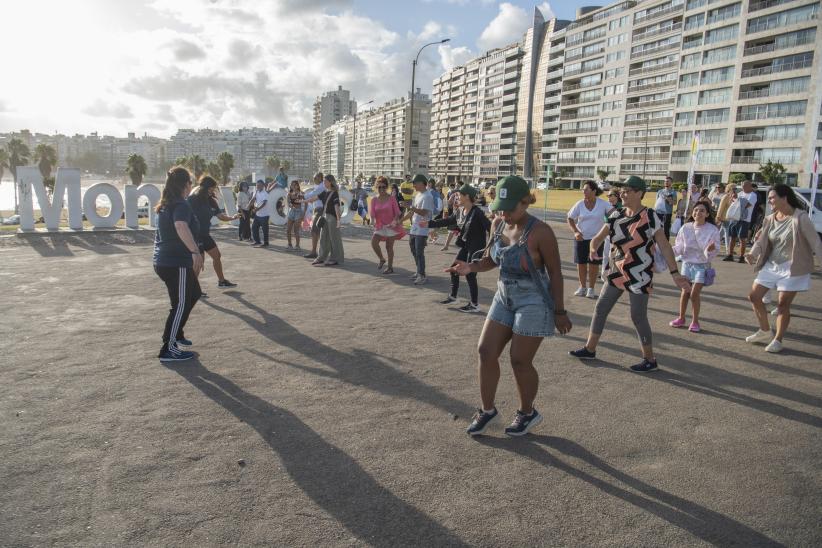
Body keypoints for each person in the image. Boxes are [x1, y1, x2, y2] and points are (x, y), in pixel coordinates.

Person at [449, 176, 571, 436]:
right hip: (504, 295)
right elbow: (490, 259)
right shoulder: (498, 223)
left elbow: (556, 273)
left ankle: (528, 412)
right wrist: (470, 267)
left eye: (510, 208)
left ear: (525, 202)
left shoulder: (541, 232)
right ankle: (487, 409)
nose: (504, 213)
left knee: (519, 360)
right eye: (500, 207)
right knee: (485, 350)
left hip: (534, 300)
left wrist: (560, 312)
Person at [569, 176, 691, 372]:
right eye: (622, 191)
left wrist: (675, 273)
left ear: (639, 193)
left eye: (627, 191)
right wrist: (593, 248)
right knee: (600, 309)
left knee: (637, 316)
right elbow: (598, 238)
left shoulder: (650, 216)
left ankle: (650, 359)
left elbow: (665, 246)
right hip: (617, 270)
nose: (622, 194)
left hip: (639, 273)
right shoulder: (616, 214)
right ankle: (590, 348)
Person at [744, 184, 822, 353]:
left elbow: (816, 242)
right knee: (754, 296)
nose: (770, 201)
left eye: (772, 197)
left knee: (782, 304)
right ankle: (765, 331)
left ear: (784, 198)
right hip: (771, 265)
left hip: (793, 267)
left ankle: (778, 339)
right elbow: (762, 240)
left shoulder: (800, 218)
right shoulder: (770, 218)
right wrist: (752, 254)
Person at [153, 166, 203, 363]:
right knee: (180, 303)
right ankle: (169, 347)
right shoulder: (180, 205)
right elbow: (180, 226)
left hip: (165, 261)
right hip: (176, 262)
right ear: (185, 185)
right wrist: (195, 252)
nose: (192, 186)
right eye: (191, 182)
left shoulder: (165, 205)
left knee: (194, 293)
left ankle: (177, 332)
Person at [427, 183, 491, 313]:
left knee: (470, 275)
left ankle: (474, 304)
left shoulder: (477, 213)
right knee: (454, 269)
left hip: (476, 248)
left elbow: (491, 228)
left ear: (467, 196)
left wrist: (489, 248)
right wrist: (430, 223)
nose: (456, 197)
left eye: (459, 195)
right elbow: (448, 220)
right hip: (467, 246)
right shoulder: (460, 211)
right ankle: (453, 297)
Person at [669, 202, 720, 333]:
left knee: (694, 293)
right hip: (687, 264)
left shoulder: (712, 229)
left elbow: (715, 249)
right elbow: (679, 247)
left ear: (707, 214)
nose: (698, 213)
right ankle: (681, 318)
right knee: (685, 292)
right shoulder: (685, 228)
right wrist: (667, 251)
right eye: (696, 210)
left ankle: (695, 321)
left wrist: (710, 250)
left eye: (702, 210)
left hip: (702, 266)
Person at [187, 175, 240, 288]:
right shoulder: (193, 199)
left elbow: (220, 216)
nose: (214, 190)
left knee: (217, 256)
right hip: (195, 235)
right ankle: (192, 288)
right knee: (199, 262)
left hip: (205, 234)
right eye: (212, 188)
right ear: (206, 187)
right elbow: (184, 215)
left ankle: (221, 281)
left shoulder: (211, 201)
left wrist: (232, 218)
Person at [567, 181, 610, 299]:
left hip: (596, 240)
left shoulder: (603, 204)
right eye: (583, 189)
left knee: (593, 264)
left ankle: (591, 289)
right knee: (581, 263)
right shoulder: (579, 204)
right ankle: (582, 287)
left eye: (586, 189)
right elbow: (570, 218)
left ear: (594, 191)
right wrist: (576, 231)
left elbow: (613, 215)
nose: (583, 192)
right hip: (581, 238)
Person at [401, 174, 434, 285]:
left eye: (414, 183)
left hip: (422, 228)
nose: (413, 185)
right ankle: (419, 271)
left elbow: (424, 212)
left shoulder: (427, 196)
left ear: (421, 183)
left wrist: (410, 207)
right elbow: (412, 212)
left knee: (419, 252)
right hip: (414, 227)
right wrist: (401, 220)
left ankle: (422, 275)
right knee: (413, 249)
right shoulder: (418, 195)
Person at [369, 176, 405, 274]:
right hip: (380, 225)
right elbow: (372, 214)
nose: (381, 189)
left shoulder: (392, 198)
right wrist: (372, 221)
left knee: (389, 247)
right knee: (374, 242)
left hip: (391, 226)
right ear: (376, 187)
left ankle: (390, 267)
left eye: (383, 187)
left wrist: (394, 221)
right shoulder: (374, 199)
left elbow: (398, 212)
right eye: (379, 187)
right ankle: (381, 259)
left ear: (387, 187)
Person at [307, 174, 344, 266]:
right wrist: (301, 201)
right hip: (325, 217)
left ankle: (335, 258)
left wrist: (339, 220)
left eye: (325, 181)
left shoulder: (334, 193)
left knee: (334, 239)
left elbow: (336, 207)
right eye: (323, 181)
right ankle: (321, 257)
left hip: (332, 218)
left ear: (330, 182)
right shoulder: (325, 192)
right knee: (323, 237)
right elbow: (313, 198)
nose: (324, 182)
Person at [725, 180, 757, 263]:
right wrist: (733, 197)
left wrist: (737, 199)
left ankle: (741, 256)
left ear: (750, 186)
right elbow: (733, 203)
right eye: (742, 186)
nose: (743, 187)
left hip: (744, 219)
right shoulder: (740, 193)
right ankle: (730, 255)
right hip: (734, 218)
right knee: (732, 237)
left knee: (742, 238)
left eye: (745, 186)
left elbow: (747, 205)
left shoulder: (753, 195)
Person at [302, 172, 325, 259]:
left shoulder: (321, 187)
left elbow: (312, 194)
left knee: (314, 231)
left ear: (320, 178)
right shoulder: (318, 186)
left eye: (315, 178)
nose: (313, 179)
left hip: (320, 210)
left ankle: (314, 252)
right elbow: (313, 196)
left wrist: (302, 196)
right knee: (318, 232)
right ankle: (318, 251)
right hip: (317, 210)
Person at [441, 182, 463, 251]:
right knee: (451, 231)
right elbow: (448, 202)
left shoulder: (464, 194)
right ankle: (446, 246)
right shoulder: (454, 194)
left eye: (458, 186)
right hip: (455, 215)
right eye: (456, 185)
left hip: (463, 216)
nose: (456, 187)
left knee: (464, 232)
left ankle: (465, 247)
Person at [250, 180, 270, 248]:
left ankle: (266, 243)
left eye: (259, 185)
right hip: (257, 214)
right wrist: (249, 205)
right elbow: (253, 199)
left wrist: (257, 209)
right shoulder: (256, 192)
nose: (258, 186)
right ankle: (257, 241)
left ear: (263, 186)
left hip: (264, 215)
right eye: (257, 185)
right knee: (254, 227)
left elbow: (264, 203)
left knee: (265, 230)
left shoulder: (265, 193)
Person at [286, 180, 305, 251]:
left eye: (295, 185)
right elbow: (288, 202)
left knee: (296, 230)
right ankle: (289, 244)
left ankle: (297, 246)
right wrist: (290, 205)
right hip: (292, 212)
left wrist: (304, 212)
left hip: (298, 212)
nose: (293, 186)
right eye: (292, 185)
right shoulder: (289, 194)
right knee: (288, 230)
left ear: (297, 186)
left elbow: (306, 203)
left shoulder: (301, 193)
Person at [715, 183, 735, 249]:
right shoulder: (726, 196)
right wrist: (718, 217)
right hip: (725, 218)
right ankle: (728, 249)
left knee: (721, 234)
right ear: (729, 189)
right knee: (727, 234)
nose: (735, 190)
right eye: (734, 188)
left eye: (735, 188)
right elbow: (721, 207)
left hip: (731, 218)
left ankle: (712, 244)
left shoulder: (734, 197)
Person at [428, 179, 443, 244]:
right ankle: (433, 237)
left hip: (433, 210)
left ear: (431, 184)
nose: (428, 184)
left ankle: (436, 236)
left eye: (429, 183)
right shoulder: (433, 190)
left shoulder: (432, 191)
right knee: (430, 225)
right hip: (434, 210)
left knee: (429, 225)